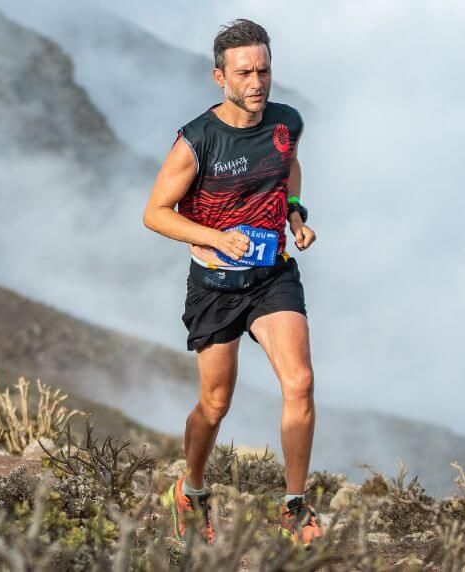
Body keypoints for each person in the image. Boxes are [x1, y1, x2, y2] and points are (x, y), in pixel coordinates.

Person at [142, 18, 323, 546]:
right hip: (215, 287)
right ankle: (191, 488)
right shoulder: (197, 139)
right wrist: (215, 238)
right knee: (215, 404)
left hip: (272, 278)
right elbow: (155, 212)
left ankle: (293, 505)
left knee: (300, 382)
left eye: (264, 70)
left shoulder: (287, 121)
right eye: (244, 72)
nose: (257, 82)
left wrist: (294, 214)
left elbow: (288, 168)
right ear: (219, 76)